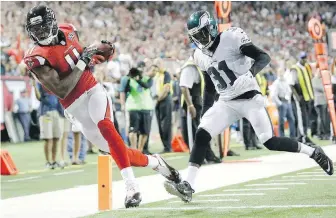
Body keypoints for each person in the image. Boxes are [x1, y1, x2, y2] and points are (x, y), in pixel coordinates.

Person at [163, 10, 334, 203]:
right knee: (202, 133)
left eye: (202, 33)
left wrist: (250, 73)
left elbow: (263, 57)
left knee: (269, 141)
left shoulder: (231, 37)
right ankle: (188, 185)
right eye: (196, 36)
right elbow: (209, 87)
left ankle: (313, 152)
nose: (201, 40)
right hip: (226, 101)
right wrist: (205, 113)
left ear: (211, 28)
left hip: (250, 98)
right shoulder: (198, 55)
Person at [23, 5, 180, 208]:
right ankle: (157, 163)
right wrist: (84, 60)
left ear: (53, 24)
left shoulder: (70, 30)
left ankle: (132, 187)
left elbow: (83, 58)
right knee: (119, 151)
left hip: (93, 91)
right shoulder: (35, 56)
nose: (41, 34)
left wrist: (98, 56)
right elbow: (62, 89)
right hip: (73, 106)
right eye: (36, 31)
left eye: (43, 28)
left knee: (106, 126)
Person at [179, 57, 221, 163]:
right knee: (193, 132)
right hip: (193, 104)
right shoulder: (190, 67)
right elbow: (184, 87)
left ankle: (206, 155)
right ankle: (202, 156)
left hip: (200, 103)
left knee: (201, 130)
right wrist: (190, 105)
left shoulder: (200, 66)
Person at [120, 67, 154, 152]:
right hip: (133, 107)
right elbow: (123, 91)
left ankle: (140, 150)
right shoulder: (129, 80)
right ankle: (134, 150)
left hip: (146, 107)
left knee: (145, 132)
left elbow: (147, 86)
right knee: (133, 130)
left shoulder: (148, 79)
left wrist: (138, 80)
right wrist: (122, 104)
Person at [33, 80, 62, 169]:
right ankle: (48, 161)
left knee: (56, 138)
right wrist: (34, 86)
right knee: (48, 139)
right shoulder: (40, 82)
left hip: (56, 112)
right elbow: (38, 97)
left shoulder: (54, 81)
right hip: (46, 113)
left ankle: (53, 161)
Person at [153, 58, 173, 153]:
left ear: (162, 64)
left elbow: (166, 89)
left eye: (158, 64)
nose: (156, 66)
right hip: (158, 101)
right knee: (160, 125)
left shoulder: (166, 74)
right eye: (155, 64)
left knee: (166, 124)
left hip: (165, 100)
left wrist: (158, 99)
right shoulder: (156, 75)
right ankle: (165, 146)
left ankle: (168, 147)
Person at [270, 67, 296, 138]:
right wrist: (279, 104)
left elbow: (289, 91)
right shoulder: (276, 83)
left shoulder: (285, 81)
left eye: (282, 72)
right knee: (281, 121)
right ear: (278, 73)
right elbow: (273, 95)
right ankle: (282, 136)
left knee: (291, 119)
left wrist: (288, 99)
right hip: (282, 102)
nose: (281, 73)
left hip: (287, 102)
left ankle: (292, 136)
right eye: (280, 72)